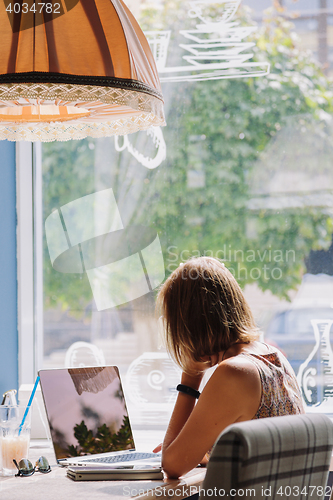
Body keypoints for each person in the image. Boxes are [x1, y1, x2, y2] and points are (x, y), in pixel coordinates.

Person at [154, 256, 304, 479]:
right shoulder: (274, 358)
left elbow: (173, 466)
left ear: (189, 327)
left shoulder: (235, 373)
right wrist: (195, 448)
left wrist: (190, 377)